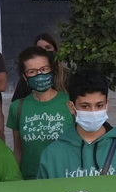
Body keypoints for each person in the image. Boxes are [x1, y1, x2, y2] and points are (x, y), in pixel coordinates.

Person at [36, 69, 116, 179]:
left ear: (107, 105)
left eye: (99, 105)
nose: (93, 112)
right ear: (71, 107)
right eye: (85, 106)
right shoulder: (53, 154)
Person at [6, 45, 70, 178]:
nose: (39, 75)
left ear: (52, 70)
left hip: (65, 178)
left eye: (44, 69)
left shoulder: (70, 103)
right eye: (32, 72)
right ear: (25, 76)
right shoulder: (18, 107)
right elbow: (18, 149)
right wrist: (12, 178)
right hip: (31, 181)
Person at [10, 32, 66, 101]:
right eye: (40, 49)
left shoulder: (66, 76)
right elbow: (17, 102)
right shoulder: (28, 77)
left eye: (48, 47)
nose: (44, 51)